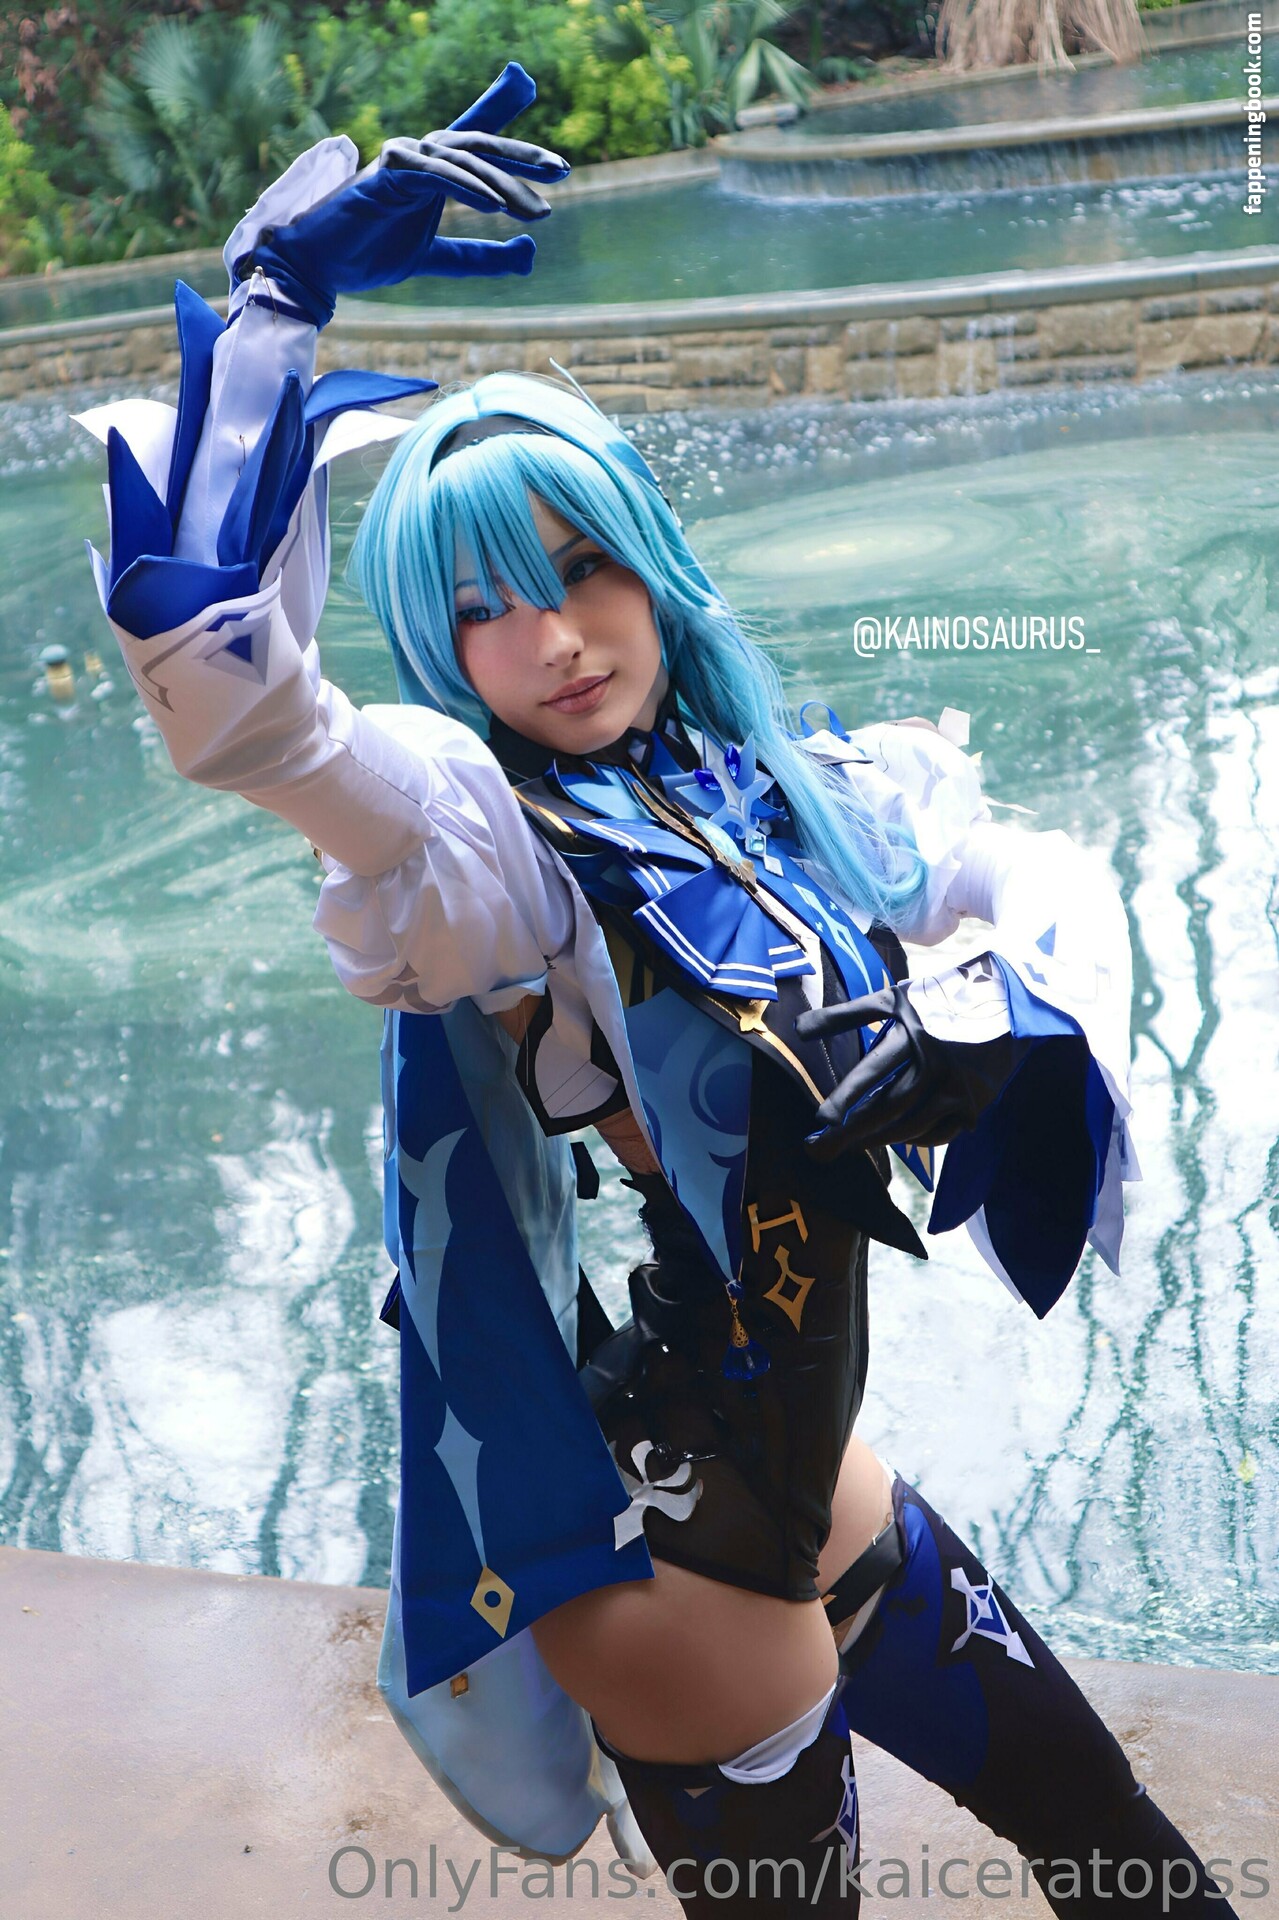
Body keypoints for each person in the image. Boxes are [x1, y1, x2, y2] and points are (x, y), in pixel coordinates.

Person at [80, 65, 1234, 1918]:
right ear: (438, 644)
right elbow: (243, 713)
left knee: (1131, 1864)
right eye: (482, 607)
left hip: (804, 1472)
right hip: (665, 1560)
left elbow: (1024, 868)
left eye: (582, 567)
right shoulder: (480, 844)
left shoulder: (775, 785)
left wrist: (985, 996)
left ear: (651, 554)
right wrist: (276, 317)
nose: (551, 639)